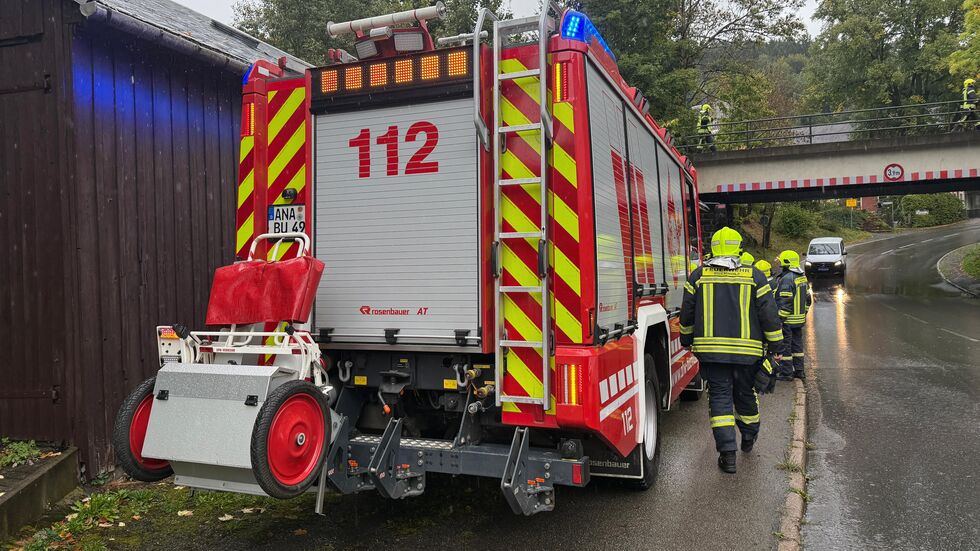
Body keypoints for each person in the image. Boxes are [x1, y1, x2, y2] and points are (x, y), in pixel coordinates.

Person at [680, 227, 784, 474]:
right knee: (746, 395)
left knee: (720, 399)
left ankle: (728, 455)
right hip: (747, 355)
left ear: (713, 247)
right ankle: (749, 437)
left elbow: (687, 314)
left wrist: (686, 340)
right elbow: (769, 315)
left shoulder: (698, 276)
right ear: (738, 248)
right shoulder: (755, 276)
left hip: (712, 355)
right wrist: (776, 347)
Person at [774, 250, 811, 381]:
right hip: (799, 320)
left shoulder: (787, 279)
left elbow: (785, 302)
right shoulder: (802, 277)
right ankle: (800, 371)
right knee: (797, 346)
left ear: (786, 263)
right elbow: (808, 299)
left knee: (786, 347)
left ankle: (786, 373)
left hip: (788, 320)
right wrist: (803, 313)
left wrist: (779, 319)